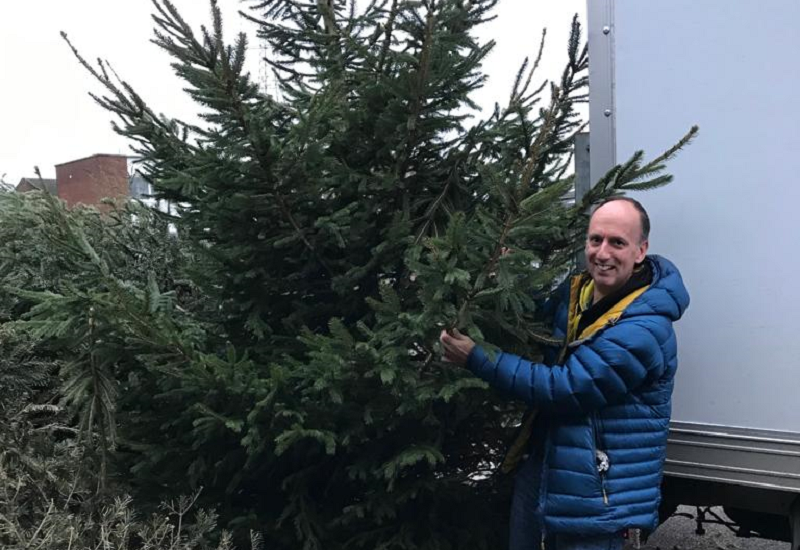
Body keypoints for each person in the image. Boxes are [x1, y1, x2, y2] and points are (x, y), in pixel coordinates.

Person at [440, 197, 690, 550]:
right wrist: (508, 273)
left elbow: (566, 389)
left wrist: (476, 358)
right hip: (546, 464)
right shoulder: (578, 291)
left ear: (640, 251)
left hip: (597, 495)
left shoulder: (644, 331)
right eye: (595, 240)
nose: (602, 253)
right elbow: (534, 313)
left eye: (617, 242)